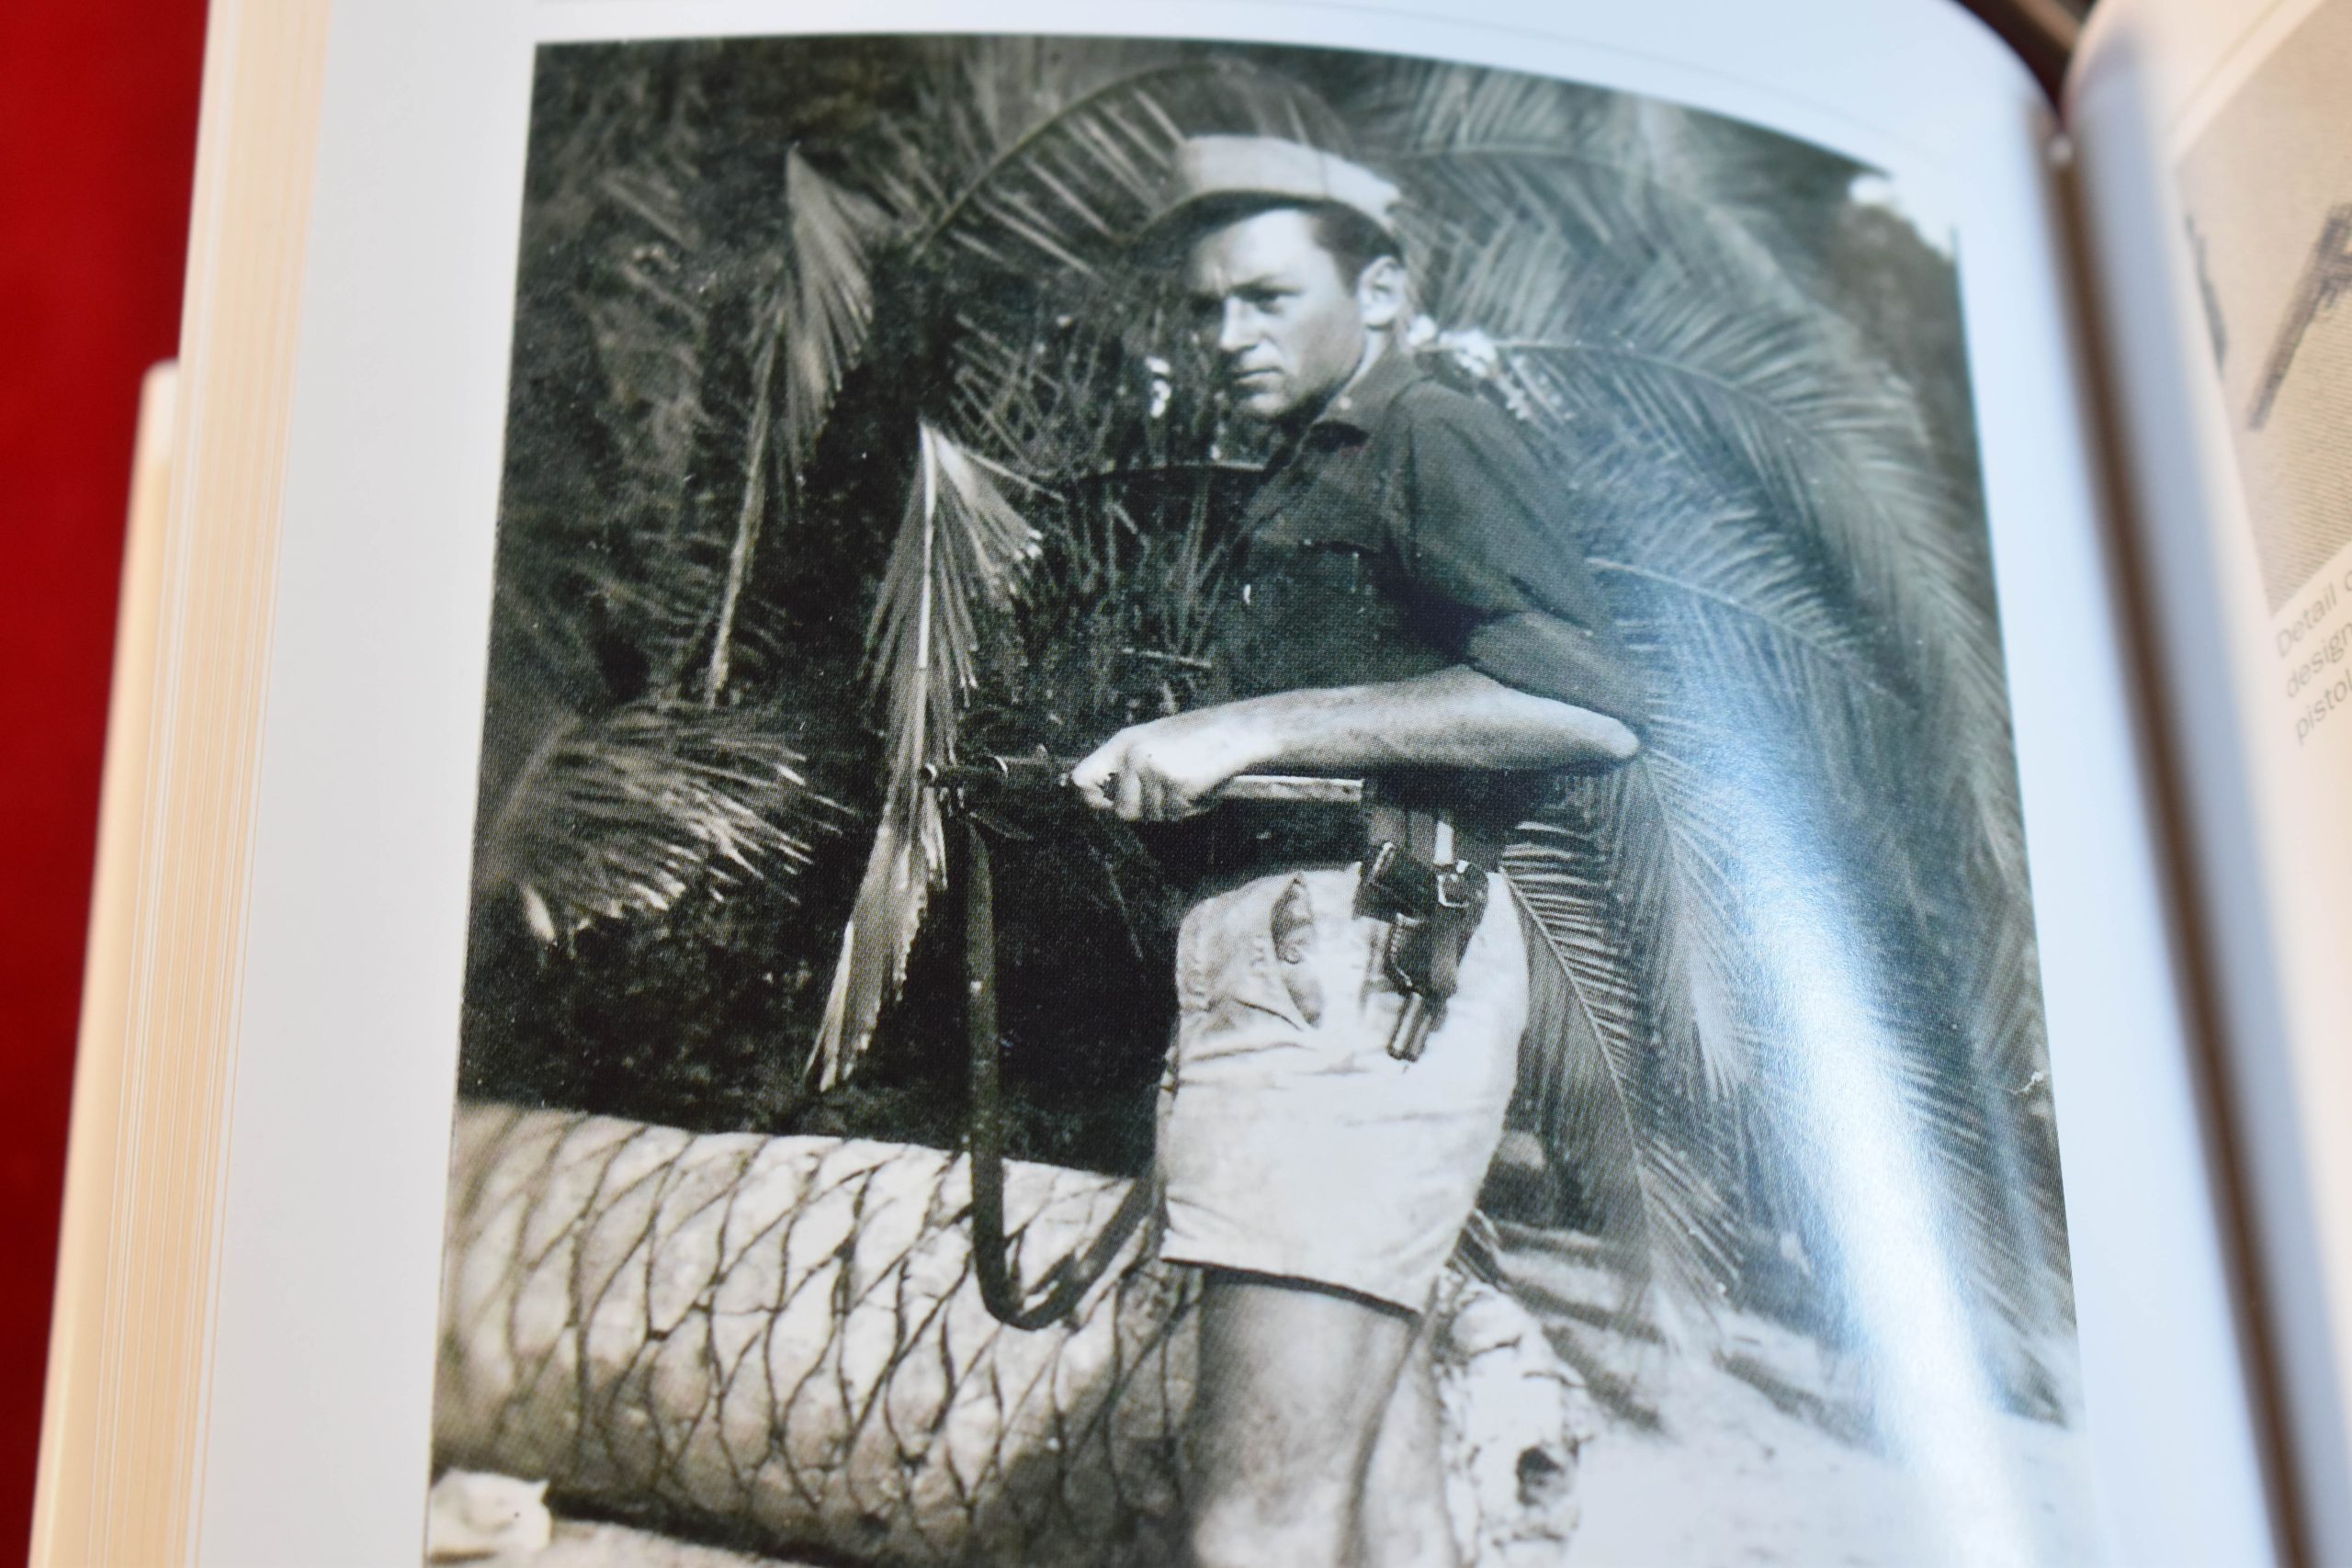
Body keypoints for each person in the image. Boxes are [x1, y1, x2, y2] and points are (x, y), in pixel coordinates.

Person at [1069, 135, 1646, 1568]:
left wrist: (1246, 728)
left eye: (1267, 298)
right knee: (1377, 1506)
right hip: (1313, 976)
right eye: (1208, 307)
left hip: (1366, 975)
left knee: (1253, 1526)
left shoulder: (1429, 434)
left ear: (1379, 291)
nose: (1228, 335)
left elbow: (1584, 710)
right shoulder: (1312, 462)